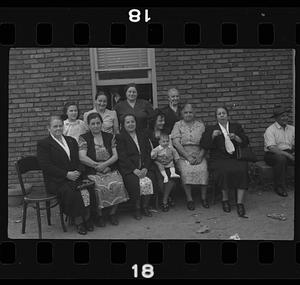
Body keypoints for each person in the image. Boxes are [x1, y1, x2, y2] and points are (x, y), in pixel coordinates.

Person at [37, 115, 99, 235]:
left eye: (60, 125)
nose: (58, 128)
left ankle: (88, 217)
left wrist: (78, 172)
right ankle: (79, 221)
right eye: (55, 126)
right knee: (72, 192)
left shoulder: (71, 140)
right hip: (56, 180)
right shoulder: (44, 144)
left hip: (74, 176)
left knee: (89, 187)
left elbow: (78, 161)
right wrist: (66, 174)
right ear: (48, 128)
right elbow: (46, 166)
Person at [78, 112, 129, 226]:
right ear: (89, 125)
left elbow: (115, 156)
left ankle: (112, 213)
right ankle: (99, 215)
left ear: (101, 124)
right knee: (99, 187)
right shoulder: (84, 138)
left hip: (108, 168)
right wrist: (97, 166)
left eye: (98, 123)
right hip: (93, 170)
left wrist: (106, 165)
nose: (96, 126)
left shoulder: (110, 136)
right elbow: (82, 157)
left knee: (118, 183)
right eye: (93, 124)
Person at [200, 106, 249, 217]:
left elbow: (245, 142)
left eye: (224, 113)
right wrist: (212, 136)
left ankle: (240, 203)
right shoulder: (211, 129)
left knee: (242, 169)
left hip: (234, 157)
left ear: (228, 115)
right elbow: (204, 145)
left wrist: (236, 137)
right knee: (223, 170)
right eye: (219, 114)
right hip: (218, 159)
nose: (222, 115)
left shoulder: (236, 127)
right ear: (216, 117)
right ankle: (225, 200)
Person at [116, 114, 158, 220]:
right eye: (128, 122)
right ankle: (137, 208)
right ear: (123, 124)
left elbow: (149, 152)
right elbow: (122, 156)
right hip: (129, 169)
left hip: (144, 167)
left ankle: (145, 206)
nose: (131, 124)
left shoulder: (142, 134)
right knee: (134, 183)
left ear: (136, 122)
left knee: (151, 178)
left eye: (132, 121)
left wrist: (145, 168)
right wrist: (134, 170)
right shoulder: (120, 137)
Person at [171, 103, 209, 211]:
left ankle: (203, 198)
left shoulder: (200, 125)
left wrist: (201, 156)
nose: (188, 114)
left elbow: (206, 142)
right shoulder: (178, 125)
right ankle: (190, 199)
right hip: (183, 155)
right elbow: (176, 143)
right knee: (186, 171)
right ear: (182, 113)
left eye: (190, 112)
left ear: (194, 113)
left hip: (198, 154)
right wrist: (187, 156)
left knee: (203, 170)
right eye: (186, 112)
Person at [146, 109, 177, 211]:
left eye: (163, 120)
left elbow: (171, 147)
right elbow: (146, 151)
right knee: (160, 179)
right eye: (160, 120)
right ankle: (167, 197)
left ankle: (164, 201)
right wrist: (156, 160)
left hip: (167, 160)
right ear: (154, 121)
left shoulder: (166, 132)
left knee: (171, 177)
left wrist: (169, 158)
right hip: (154, 161)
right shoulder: (147, 133)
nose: (163, 123)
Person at [264, 106, 295, 197]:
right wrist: (288, 155)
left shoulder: (292, 129)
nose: (285, 118)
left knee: (284, 158)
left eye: (286, 115)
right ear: (276, 118)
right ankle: (279, 187)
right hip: (272, 154)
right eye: (282, 116)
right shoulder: (270, 130)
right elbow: (272, 148)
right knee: (281, 159)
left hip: (288, 152)